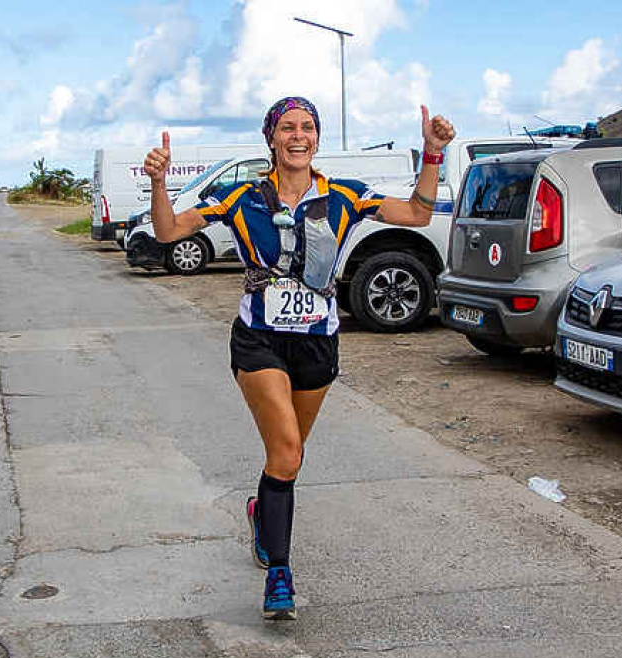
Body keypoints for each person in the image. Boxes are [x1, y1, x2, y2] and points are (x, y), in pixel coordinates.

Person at [144, 96, 455, 620]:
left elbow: (419, 214)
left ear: (317, 138)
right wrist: (158, 184)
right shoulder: (241, 196)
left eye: (307, 127)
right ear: (271, 138)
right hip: (259, 339)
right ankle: (280, 574)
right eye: (287, 127)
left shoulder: (346, 196)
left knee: (285, 459)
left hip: (317, 341)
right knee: (287, 453)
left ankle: (261, 510)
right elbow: (169, 231)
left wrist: (431, 154)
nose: (298, 135)